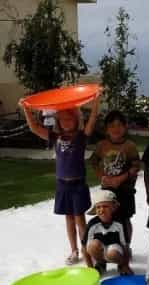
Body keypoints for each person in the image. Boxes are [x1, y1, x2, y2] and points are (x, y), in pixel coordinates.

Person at [20, 94, 100, 265]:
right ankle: (74, 251)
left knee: (80, 219)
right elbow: (34, 128)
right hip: (62, 185)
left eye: (69, 118)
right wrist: (26, 109)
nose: (66, 122)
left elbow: (92, 122)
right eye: (62, 119)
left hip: (78, 184)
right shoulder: (55, 137)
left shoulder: (80, 136)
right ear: (58, 121)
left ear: (75, 119)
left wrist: (96, 102)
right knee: (69, 218)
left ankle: (87, 250)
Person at [90, 110, 140, 252]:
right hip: (107, 191)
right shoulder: (102, 145)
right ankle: (108, 246)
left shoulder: (130, 146)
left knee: (124, 219)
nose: (115, 129)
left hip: (125, 189)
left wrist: (120, 179)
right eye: (111, 125)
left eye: (119, 125)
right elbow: (94, 161)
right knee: (107, 218)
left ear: (125, 127)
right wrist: (101, 177)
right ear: (106, 129)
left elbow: (136, 166)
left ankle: (126, 246)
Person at [82, 190, 133, 275]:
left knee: (112, 254)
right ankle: (101, 264)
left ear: (113, 208)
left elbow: (125, 246)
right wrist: (90, 269)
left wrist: (126, 265)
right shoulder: (92, 224)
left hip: (115, 248)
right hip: (100, 248)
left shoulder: (119, 223)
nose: (101, 210)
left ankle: (121, 265)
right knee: (92, 246)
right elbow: (84, 248)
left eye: (105, 206)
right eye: (98, 207)